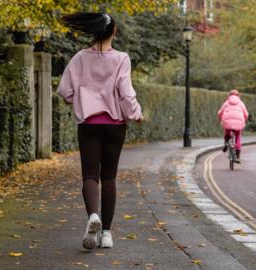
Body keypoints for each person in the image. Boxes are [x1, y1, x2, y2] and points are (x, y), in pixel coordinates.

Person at [57, 12, 143, 251]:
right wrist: (136, 113)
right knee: (109, 177)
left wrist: (79, 101)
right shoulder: (121, 59)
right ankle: (106, 234)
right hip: (115, 125)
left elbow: (64, 91)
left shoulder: (79, 58)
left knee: (90, 176)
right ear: (113, 32)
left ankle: (92, 216)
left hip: (89, 125)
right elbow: (126, 94)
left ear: (94, 31)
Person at [218, 89, 249, 163]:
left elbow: (220, 112)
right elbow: (246, 114)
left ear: (229, 95)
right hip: (239, 123)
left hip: (227, 122)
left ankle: (226, 143)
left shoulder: (226, 103)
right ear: (238, 96)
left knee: (227, 132)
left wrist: (221, 119)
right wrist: (244, 120)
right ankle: (237, 157)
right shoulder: (241, 103)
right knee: (238, 137)